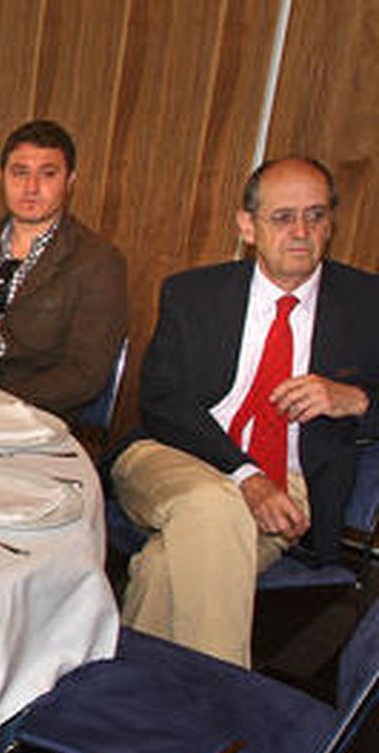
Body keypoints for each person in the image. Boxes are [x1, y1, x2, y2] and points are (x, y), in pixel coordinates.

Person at [111, 157, 379, 666]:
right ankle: (223, 700)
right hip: (172, 457)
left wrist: (357, 399)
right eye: (283, 217)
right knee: (216, 502)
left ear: (331, 224)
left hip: (290, 484)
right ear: (247, 225)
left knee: (163, 566)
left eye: (316, 216)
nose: (301, 232)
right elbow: (162, 402)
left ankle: (120, 692)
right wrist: (246, 477)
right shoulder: (193, 294)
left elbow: (366, 399)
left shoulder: (368, 302)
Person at [0, 119, 127, 418]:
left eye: (48, 174)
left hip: (36, 417)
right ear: (1, 177)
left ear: (70, 181)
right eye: (20, 173)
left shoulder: (99, 262)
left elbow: (85, 374)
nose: (31, 187)